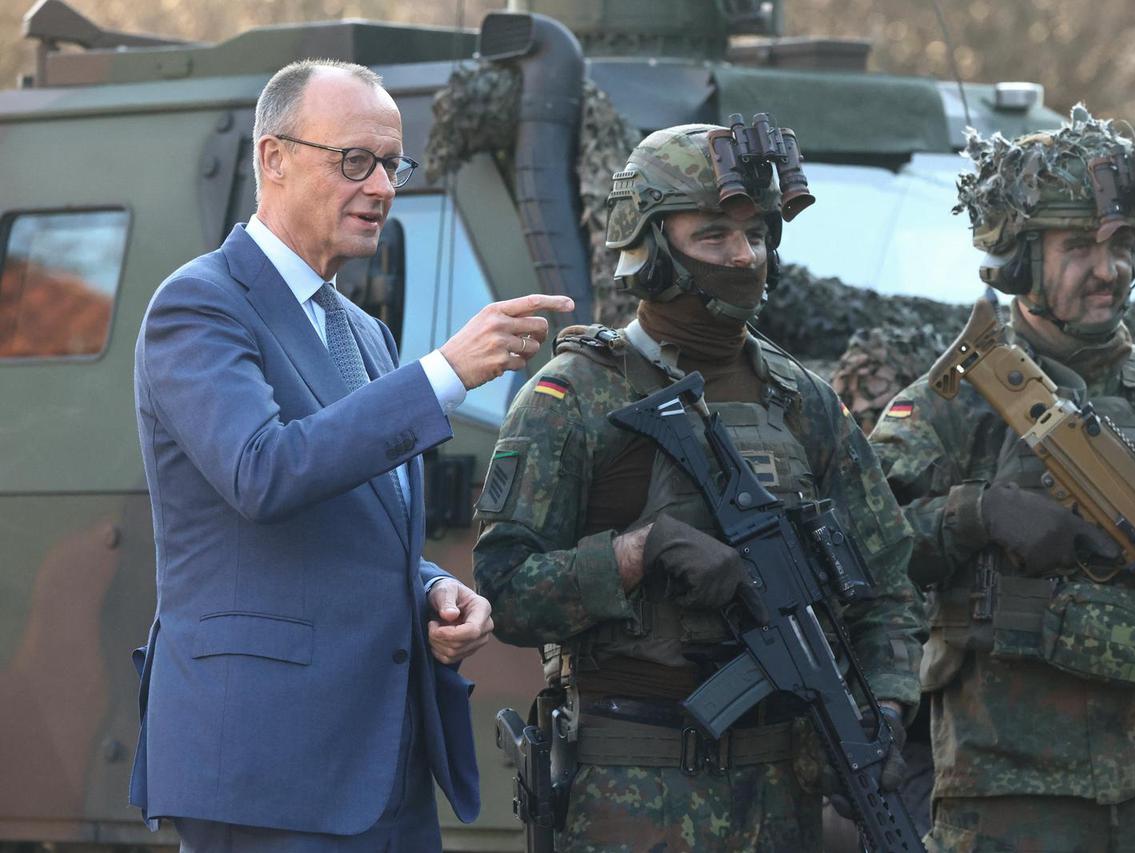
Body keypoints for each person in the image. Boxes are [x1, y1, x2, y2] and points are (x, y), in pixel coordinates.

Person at [128, 59, 573, 851]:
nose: (382, 187)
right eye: (354, 162)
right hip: (267, 770)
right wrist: (441, 374)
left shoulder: (361, 332)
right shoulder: (198, 305)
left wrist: (434, 587)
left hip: (379, 764)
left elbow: (361, 520)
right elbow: (262, 471)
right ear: (273, 158)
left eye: (392, 164)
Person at [472, 119, 926, 851]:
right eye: (714, 235)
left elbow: (892, 585)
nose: (744, 256)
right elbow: (503, 588)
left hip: (782, 798)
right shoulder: (578, 396)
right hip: (630, 798)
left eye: (758, 234)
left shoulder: (803, 401)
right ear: (651, 248)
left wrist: (887, 708)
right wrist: (636, 552)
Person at [870, 106, 1135, 852]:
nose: (1111, 269)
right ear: (1020, 257)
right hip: (1011, 790)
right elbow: (865, 550)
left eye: (1125, 244)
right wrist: (978, 512)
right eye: (1078, 246)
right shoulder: (953, 401)